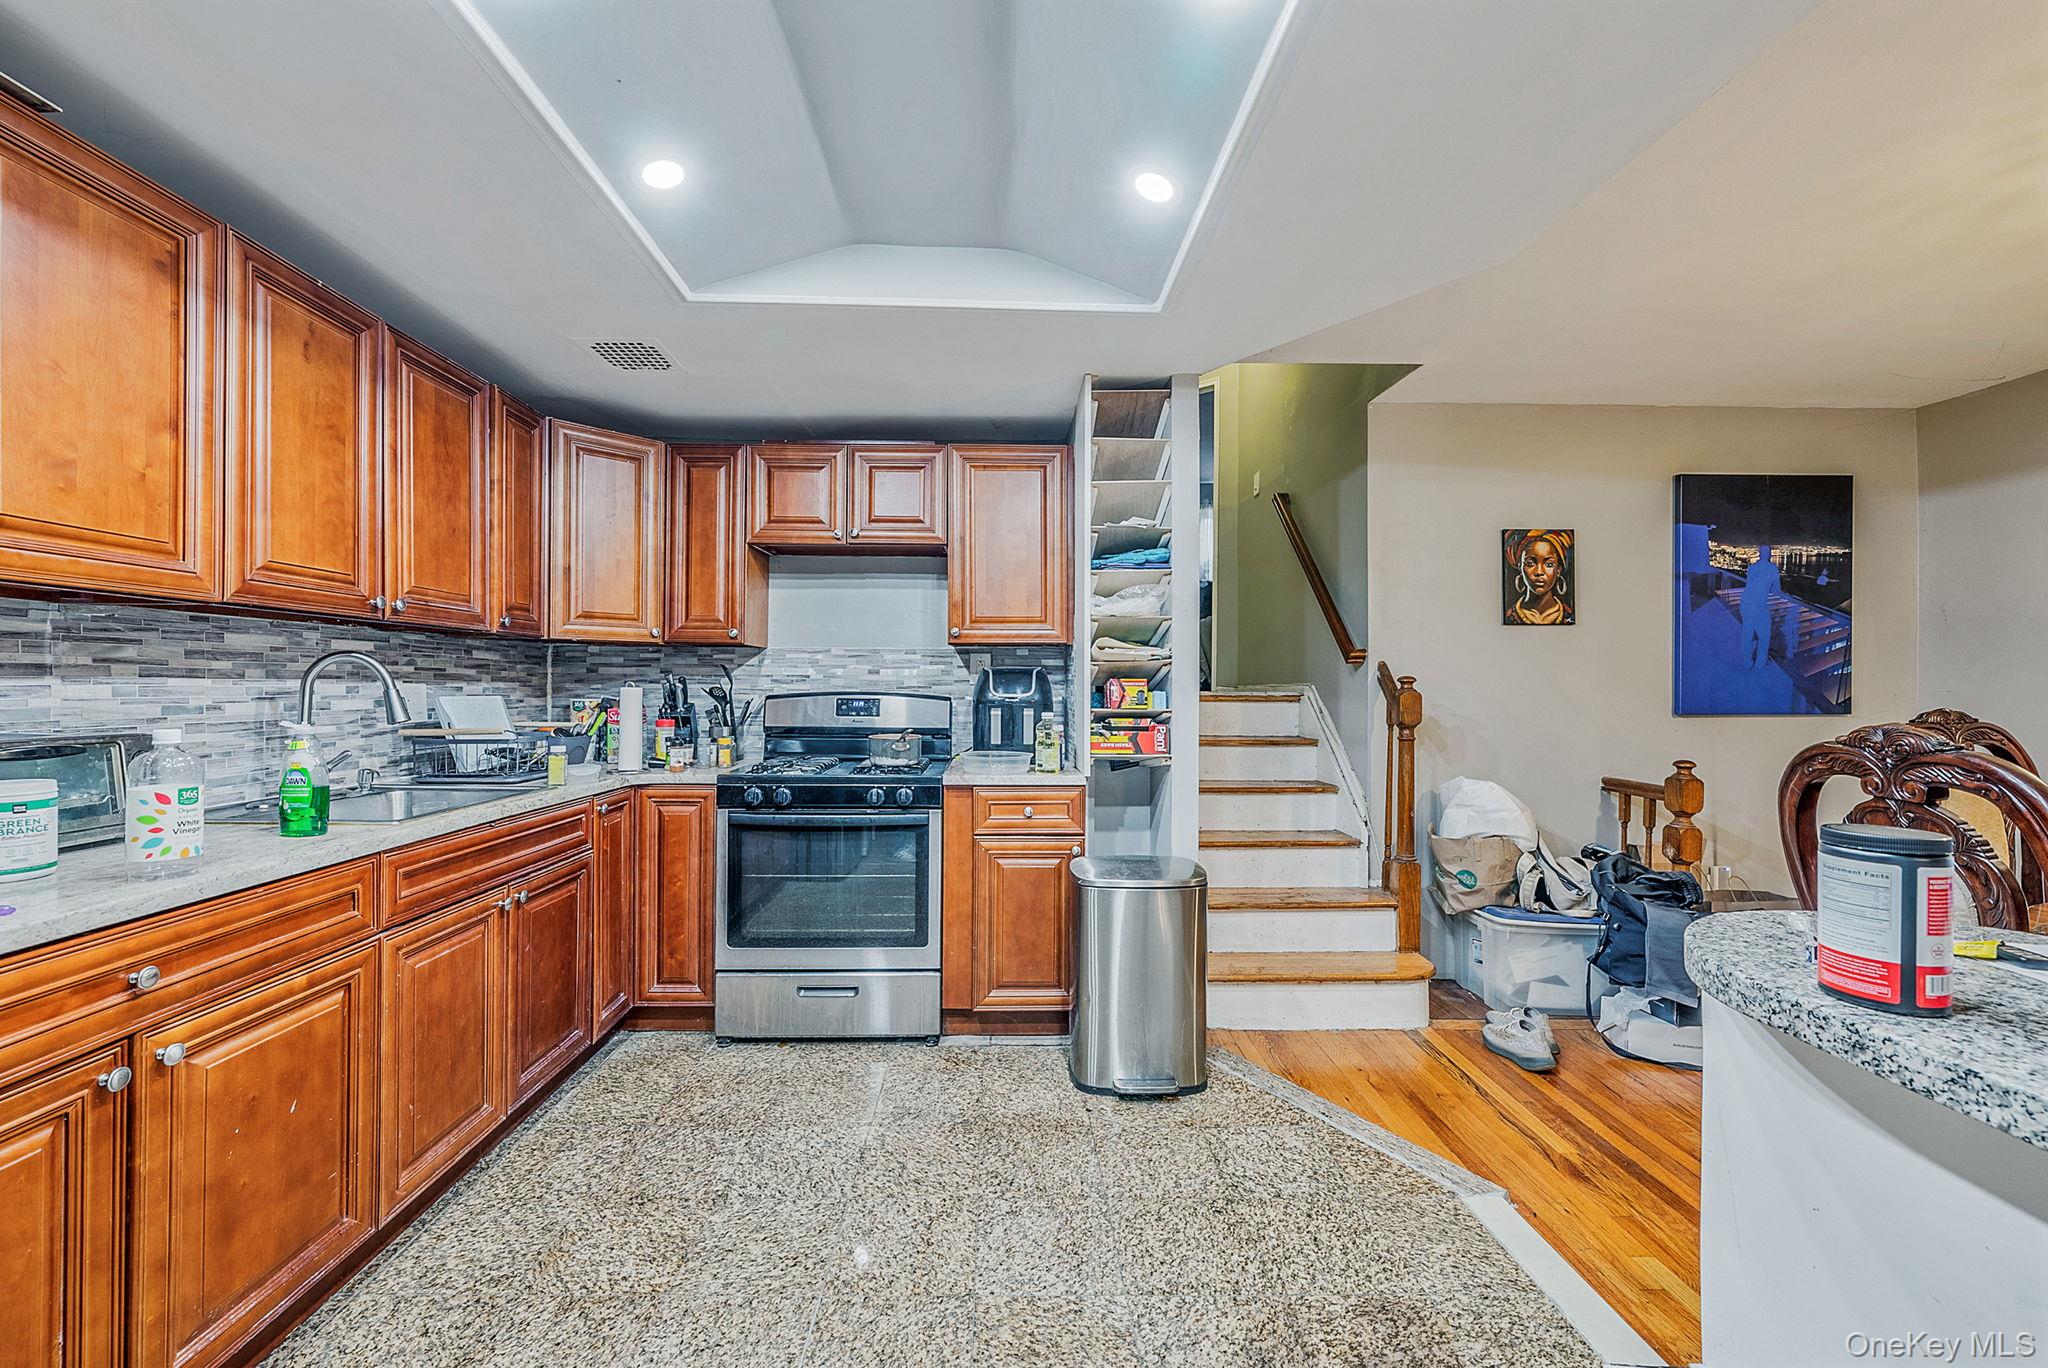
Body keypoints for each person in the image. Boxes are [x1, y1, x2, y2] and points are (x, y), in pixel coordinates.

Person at [1504, 530, 1573, 625]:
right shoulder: (1509, 617)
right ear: (1520, 568)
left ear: (1558, 570)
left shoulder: (1570, 617)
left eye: (1549, 564)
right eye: (1530, 563)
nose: (1539, 572)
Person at [1739, 544, 1780, 668]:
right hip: (1758, 606)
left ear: (1759, 553)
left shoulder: (1752, 567)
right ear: (1769, 554)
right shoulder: (1773, 568)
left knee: (1747, 635)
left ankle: (1747, 663)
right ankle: (1760, 665)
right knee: (1765, 635)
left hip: (1745, 603)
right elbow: (1777, 590)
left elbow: (1751, 585)